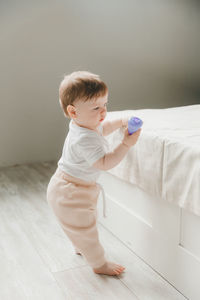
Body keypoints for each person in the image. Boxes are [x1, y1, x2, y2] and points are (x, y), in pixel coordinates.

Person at [46, 71, 142, 276]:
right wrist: (126, 144)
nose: (103, 112)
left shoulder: (83, 124)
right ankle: (99, 264)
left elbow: (103, 127)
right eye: (96, 107)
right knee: (87, 231)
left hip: (68, 187)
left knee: (78, 227)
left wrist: (121, 120)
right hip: (71, 193)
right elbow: (104, 162)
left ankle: (80, 246)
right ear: (73, 112)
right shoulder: (84, 139)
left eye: (105, 105)